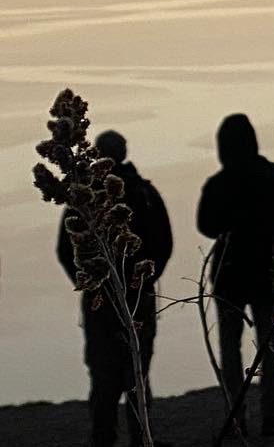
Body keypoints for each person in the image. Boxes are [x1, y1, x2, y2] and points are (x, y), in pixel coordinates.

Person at [57, 129, 173, 447]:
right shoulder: (145, 193)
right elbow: (164, 243)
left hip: (100, 300)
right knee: (137, 370)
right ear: (124, 152)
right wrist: (144, 280)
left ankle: (103, 438)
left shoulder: (83, 198)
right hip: (139, 299)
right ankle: (141, 439)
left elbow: (66, 249)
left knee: (103, 375)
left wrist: (90, 282)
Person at [197, 114, 274, 438]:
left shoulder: (218, 185)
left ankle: (237, 416)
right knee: (269, 342)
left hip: (229, 274)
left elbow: (206, 226)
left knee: (230, 346)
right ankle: (272, 415)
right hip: (266, 268)